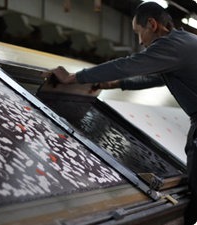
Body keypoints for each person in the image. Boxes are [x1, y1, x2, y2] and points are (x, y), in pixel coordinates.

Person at [43, 2, 197, 224]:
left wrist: (73, 78)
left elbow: (127, 65)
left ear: (152, 25)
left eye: (139, 32)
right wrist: (112, 85)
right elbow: (152, 78)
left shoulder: (170, 45)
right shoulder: (187, 41)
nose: (140, 41)